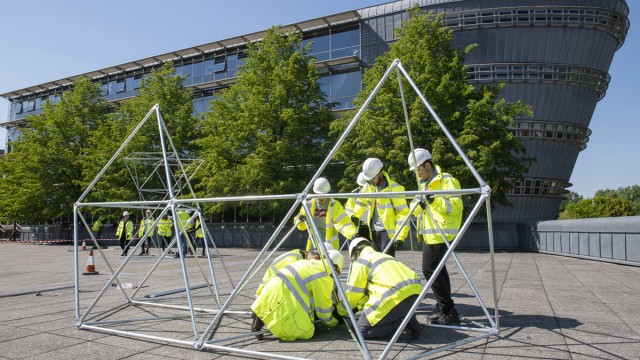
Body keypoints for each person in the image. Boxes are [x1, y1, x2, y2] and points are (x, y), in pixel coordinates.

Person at [407, 148, 463, 325]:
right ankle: (445, 308)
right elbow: (414, 210)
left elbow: (455, 206)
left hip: (442, 233)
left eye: (419, 170)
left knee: (429, 270)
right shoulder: (424, 184)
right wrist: (419, 204)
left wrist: (433, 200)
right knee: (438, 270)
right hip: (430, 234)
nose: (418, 174)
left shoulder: (447, 180)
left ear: (428, 165)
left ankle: (448, 309)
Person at [250, 249, 344, 341]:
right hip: (281, 299)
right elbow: (323, 311)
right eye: (336, 273)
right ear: (335, 268)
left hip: (267, 294)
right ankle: (281, 324)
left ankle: (262, 316)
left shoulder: (303, 262)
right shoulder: (324, 275)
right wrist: (334, 321)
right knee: (308, 332)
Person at [339, 237, 422, 339]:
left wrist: (339, 312)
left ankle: (400, 323)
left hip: (394, 297)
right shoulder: (384, 256)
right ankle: (407, 317)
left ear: (355, 253)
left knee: (361, 331)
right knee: (397, 303)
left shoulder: (361, 261)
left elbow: (353, 295)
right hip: (415, 292)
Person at [352, 158, 409, 257]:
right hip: (374, 231)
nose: (371, 182)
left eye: (373, 179)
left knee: (387, 263)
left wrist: (400, 236)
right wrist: (355, 216)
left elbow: (403, 213)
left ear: (381, 173)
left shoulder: (395, 189)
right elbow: (361, 202)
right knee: (377, 262)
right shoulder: (368, 187)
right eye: (368, 180)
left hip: (387, 233)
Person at [294, 177, 357, 251]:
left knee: (329, 262)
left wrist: (353, 234)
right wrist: (300, 220)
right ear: (315, 192)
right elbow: (300, 223)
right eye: (319, 194)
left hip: (330, 245)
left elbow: (343, 222)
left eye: (324, 194)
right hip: (314, 243)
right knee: (313, 262)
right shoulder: (308, 205)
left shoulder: (334, 205)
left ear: (327, 192)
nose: (321, 197)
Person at [255, 242, 335, 296]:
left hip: (274, 291)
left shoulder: (299, 255)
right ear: (317, 257)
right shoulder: (292, 261)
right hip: (267, 293)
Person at [344, 173, 370, 238]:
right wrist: (352, 216)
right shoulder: (354, 194)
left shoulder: (374, 193)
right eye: (361, 187)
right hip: (359, 226)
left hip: (372, 225)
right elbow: (348, 208)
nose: (363, 189)